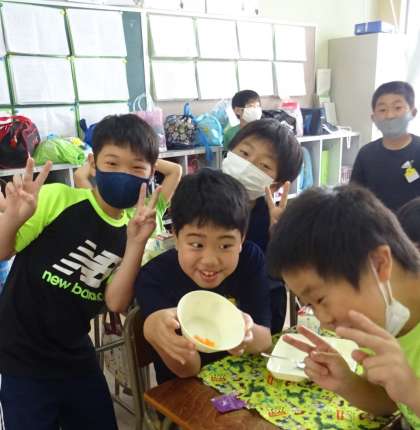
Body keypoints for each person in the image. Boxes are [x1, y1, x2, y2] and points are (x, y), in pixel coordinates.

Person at [0, 114, 160, 429]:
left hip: (75, 350)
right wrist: (13, 218)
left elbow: (115, 302)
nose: (123, 174)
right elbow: (3, 251)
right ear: (93, 163)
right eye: (112, 163)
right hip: (20, 352)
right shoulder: (58, 199)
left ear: (150, 174)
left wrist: (136, 243)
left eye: (136, 167)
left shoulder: (137, 228)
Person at [266, 185, 420, 429]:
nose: (324, 321)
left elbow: (408, 397)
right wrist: (346, 383)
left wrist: (413, 391)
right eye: (309, 306)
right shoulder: (377, 317)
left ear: (379, 263)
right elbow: (391, 403)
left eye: (320, 299)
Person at [135, 168, 272, 384]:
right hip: (187, 391)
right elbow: (188, 371)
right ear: (176, 237)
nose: (210, 260)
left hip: (243, 380)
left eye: (225, 245)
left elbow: (264, 340)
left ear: (241, 240)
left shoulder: (250, 259)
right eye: (197, 244)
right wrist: (153, 332)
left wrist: (246, 333)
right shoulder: (154, 277)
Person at [222, 118, 303, 332]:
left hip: (260, 311)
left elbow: (289, 274)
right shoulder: (201, 195)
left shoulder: (274, 216)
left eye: (264, 165)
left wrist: (278, 236)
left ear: (275, 185)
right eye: (244, 153)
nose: (247, 165)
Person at [351, 81, 420, 212]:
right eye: (382, 110)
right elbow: (354, 198)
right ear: (373, 117)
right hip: (376, 223)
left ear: (413, 112)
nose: (389, 115)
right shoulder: (366, 154)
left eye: (397, 108)